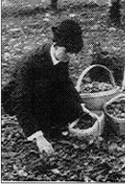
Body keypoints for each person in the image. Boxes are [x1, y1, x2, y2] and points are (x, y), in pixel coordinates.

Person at [2, 19, 86, 156]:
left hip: (43, 93)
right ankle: (41, 127)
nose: (70, 57)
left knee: (74, 109)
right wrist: (38, 137)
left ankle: (53, 124)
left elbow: (65, 82)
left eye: (73, 53)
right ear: (57, 45)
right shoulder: (30, 63)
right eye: (67, 52)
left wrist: (80, 103)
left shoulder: (61, 57)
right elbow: (20, 100)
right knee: (42, 93)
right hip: (20, 98)